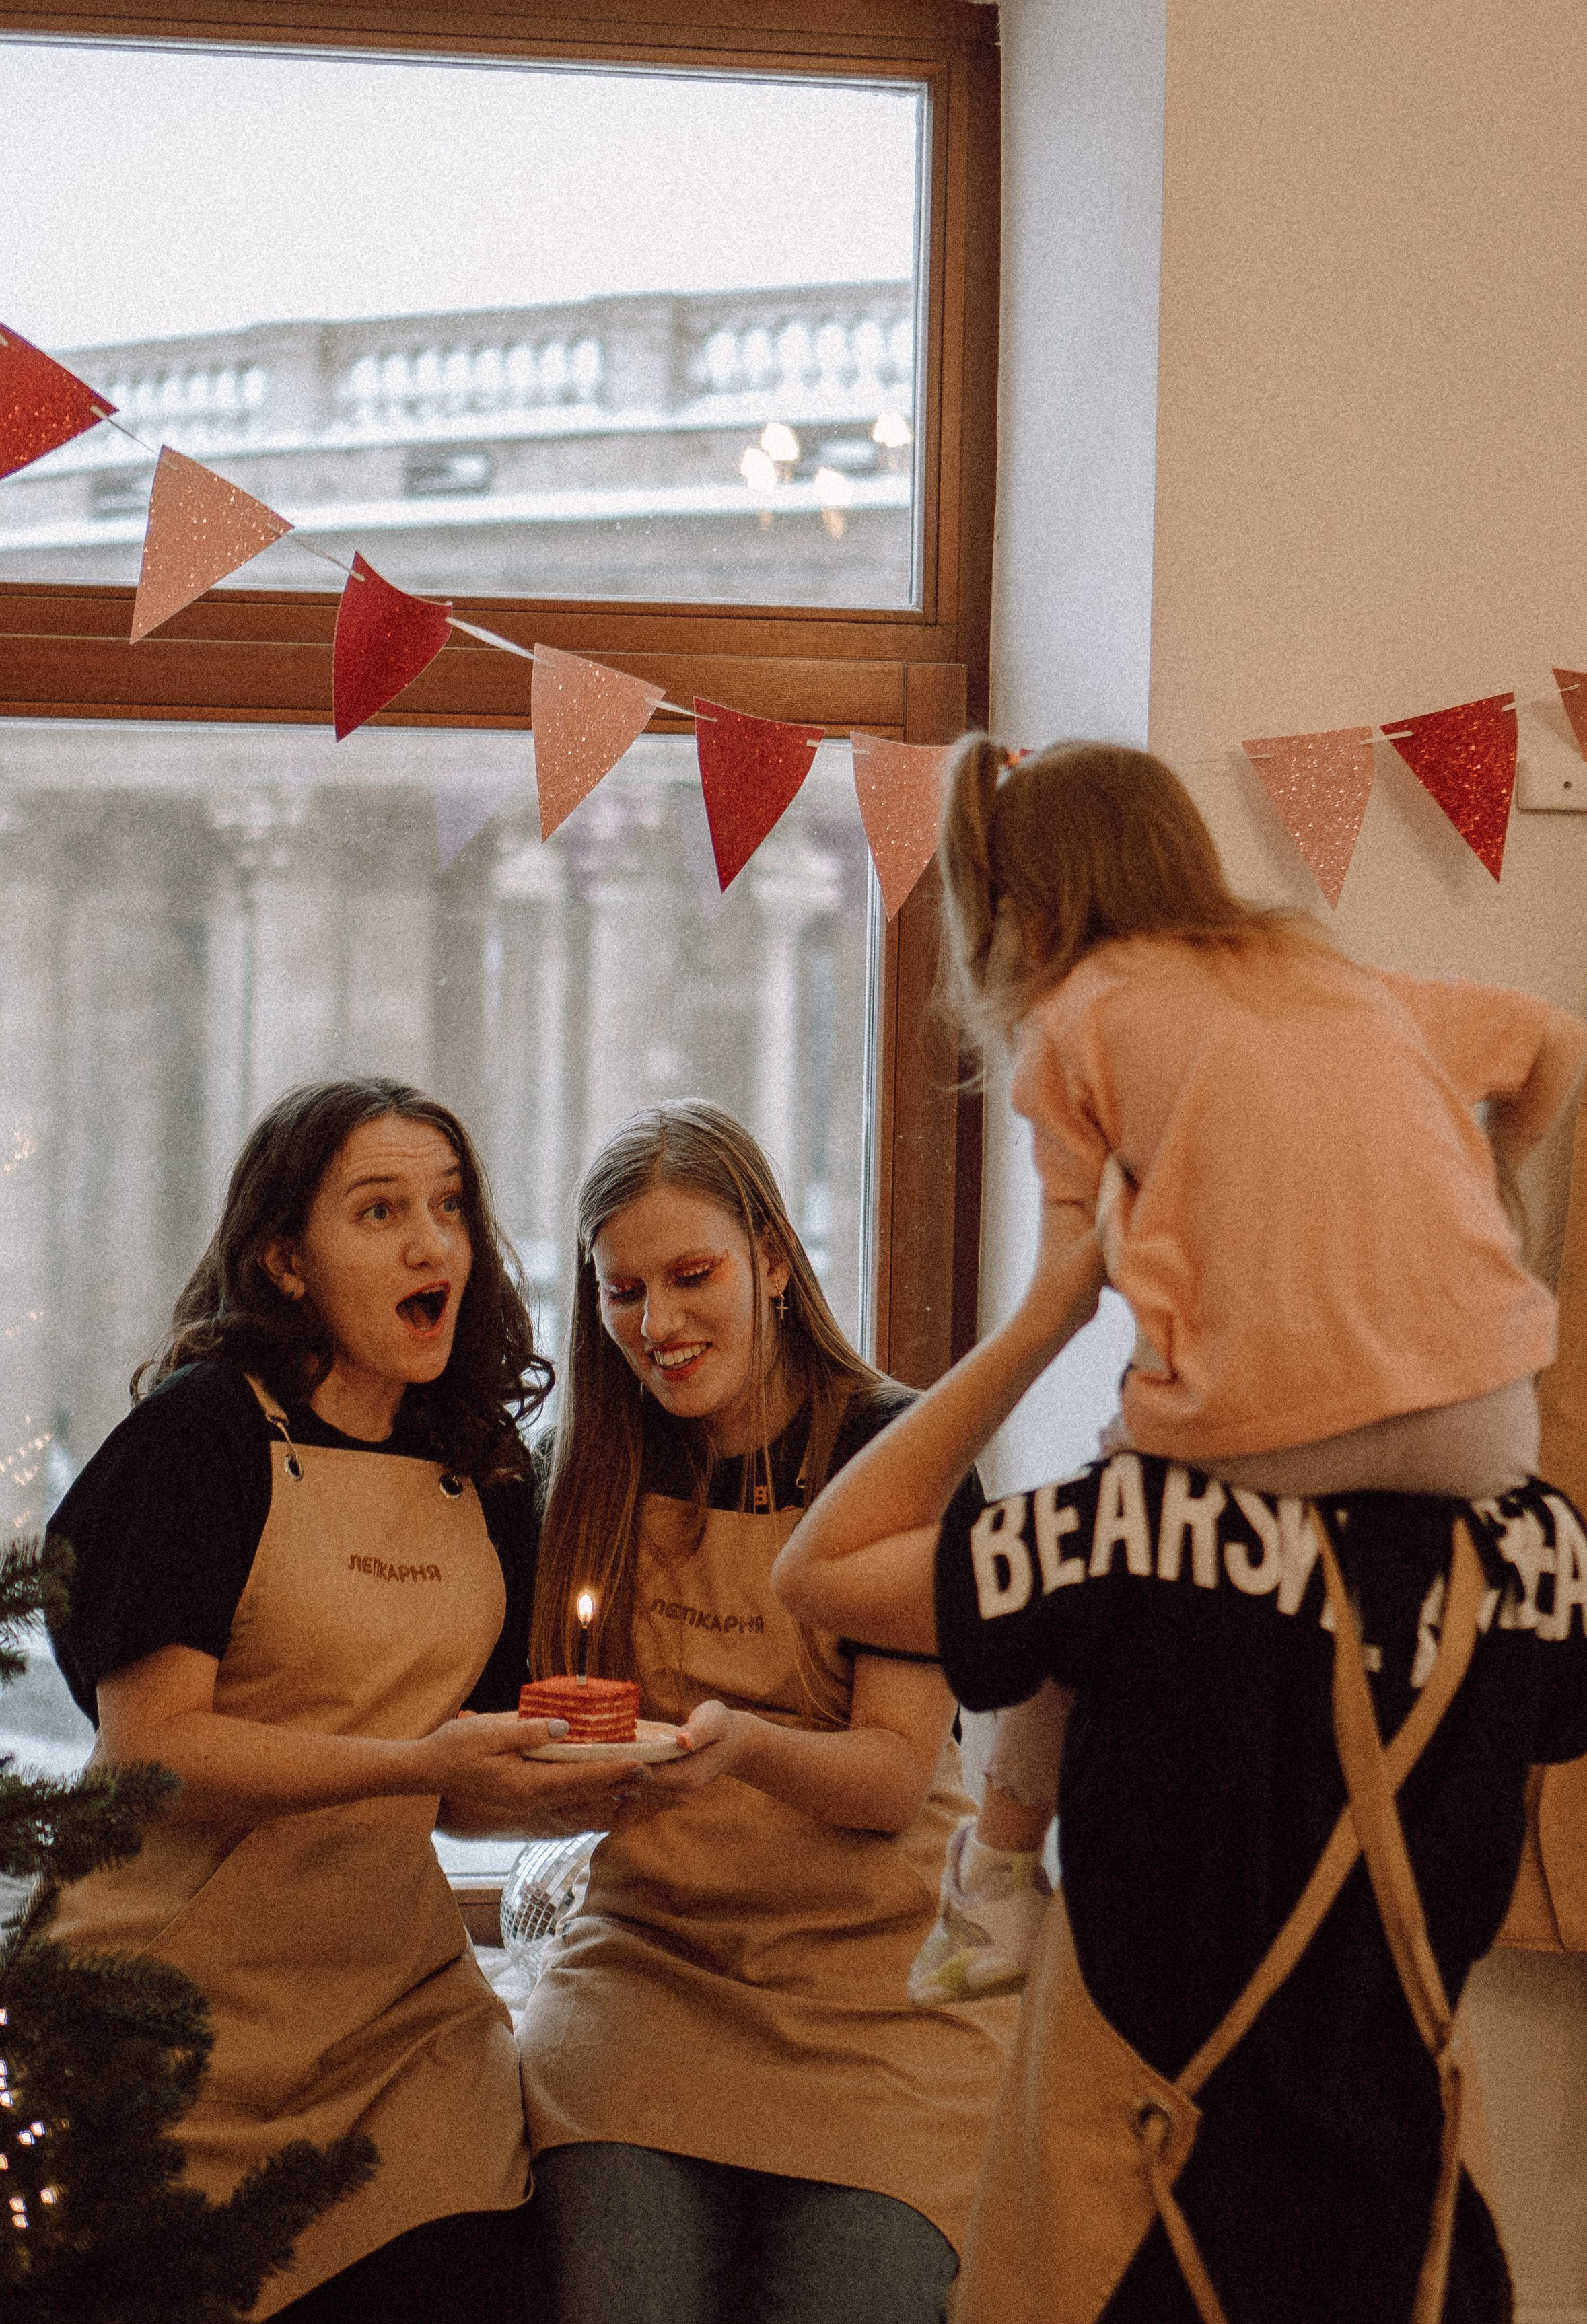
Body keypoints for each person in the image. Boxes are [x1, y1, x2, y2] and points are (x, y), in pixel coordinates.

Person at [897, 735, 1586, 2005]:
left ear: (1022, 908)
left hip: (1268, 1434)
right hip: (1490, 1429)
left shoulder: (1074, 1019)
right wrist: (1490, 1171)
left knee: (1081, 1544)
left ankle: (996, 1872)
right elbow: (1553, 1043)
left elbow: (1071, 1284)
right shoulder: (1336, 977)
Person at [46, 1078, 643, 2324]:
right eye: (380, 1212)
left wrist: (595, 1782)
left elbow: (464, 1784)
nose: (434, 1243)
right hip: (168, 2019)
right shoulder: (199, 1438)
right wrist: (419, 1765)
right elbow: (150, 1755)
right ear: (286, 1262)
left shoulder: (481, 1471)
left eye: (451, 1207)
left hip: (398, 2033)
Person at [516, 1101, 1016, 2324]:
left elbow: (898, 1774)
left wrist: (741, 1748)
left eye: (694, 1277)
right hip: (650, 1973)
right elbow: (503, 1756)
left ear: (776, 1260)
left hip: (882, 1996)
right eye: (622, 1292)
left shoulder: (894, 1455)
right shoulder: (578, 1473)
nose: (659, 1325)